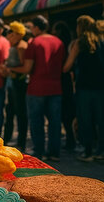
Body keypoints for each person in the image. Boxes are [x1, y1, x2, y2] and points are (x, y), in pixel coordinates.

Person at [10, 15, 65, 161]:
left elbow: (27, 68)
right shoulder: (58, 42)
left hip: (37, 88)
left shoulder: (34, 43)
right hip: (55, 87)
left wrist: (12, 69)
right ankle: (54, 153)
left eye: (32, 27)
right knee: (54, 122)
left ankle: (39, 152)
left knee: (36, 121)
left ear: (36, 27)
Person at [63, 16, 104, 162]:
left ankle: (87, 152)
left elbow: (67, 66)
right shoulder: (101, 41)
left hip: (84, 87)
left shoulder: (79, 43)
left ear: (80, 27)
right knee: (101, 120)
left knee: (85, 119)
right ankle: (101, 151)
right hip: (101, 87)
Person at [3, 22, 29, 151]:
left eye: (11, 33)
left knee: (20, 113)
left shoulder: (21, 47)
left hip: (19, 83)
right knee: (10, 111)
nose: (9, 36)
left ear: (18, 34)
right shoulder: (15, 45)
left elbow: (25, 67)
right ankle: (7, 139)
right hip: (13, 83)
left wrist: (10, 69)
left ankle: (21, 142)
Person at [51, 21, 76, 151]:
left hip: (61, 80)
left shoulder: (59, 46)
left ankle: (69, 141)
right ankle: (70, 140)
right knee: (67, 113)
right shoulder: (68, 44)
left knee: (63, 114)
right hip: (66, 83)